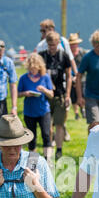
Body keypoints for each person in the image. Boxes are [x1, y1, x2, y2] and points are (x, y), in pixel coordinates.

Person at [36, 19, 74, 143]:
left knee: (59, 119)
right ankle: (50, 142)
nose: (42, 32)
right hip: (46, 90)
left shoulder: (63, 45)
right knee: (48, 122)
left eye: (44, 30)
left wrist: (75, 72)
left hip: (60, 89)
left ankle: (58, 142)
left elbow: (69, 62)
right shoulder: (41, 49)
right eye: (41, 30)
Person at [39, 31, 72, 160]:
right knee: (47, 124)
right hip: (45, 95)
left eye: (54, 44)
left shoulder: (64, 56)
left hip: (60, 94)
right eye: (50, 45)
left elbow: (69, 76)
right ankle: (49, 147)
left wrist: (68, 94)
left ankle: (59, 150)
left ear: (59, 43)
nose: (52, 47)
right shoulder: (42, 56)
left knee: (59, 123)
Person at [18, 53, 54, 162]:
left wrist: (44, 90)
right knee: (31, 137)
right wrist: (25, 93)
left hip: (43, 111)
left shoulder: (45, 77)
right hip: (29, 112)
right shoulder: (24, 78)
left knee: (46, 134)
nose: (33, 70)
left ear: (40, 67)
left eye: (35, 68)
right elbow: (18, 94)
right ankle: (32, 162)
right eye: (31, 68)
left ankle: (48, 160)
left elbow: (51, 94)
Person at [68, 32, 87, 120]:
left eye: (74, 44)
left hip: (82, 78)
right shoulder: (67, 54)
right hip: (71, 78)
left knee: (83, 95)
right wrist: (72, 78)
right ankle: (76, 113)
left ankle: (82, 109)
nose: (73, 46)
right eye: (71, 45)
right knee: (73, 96)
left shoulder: (83, 53)